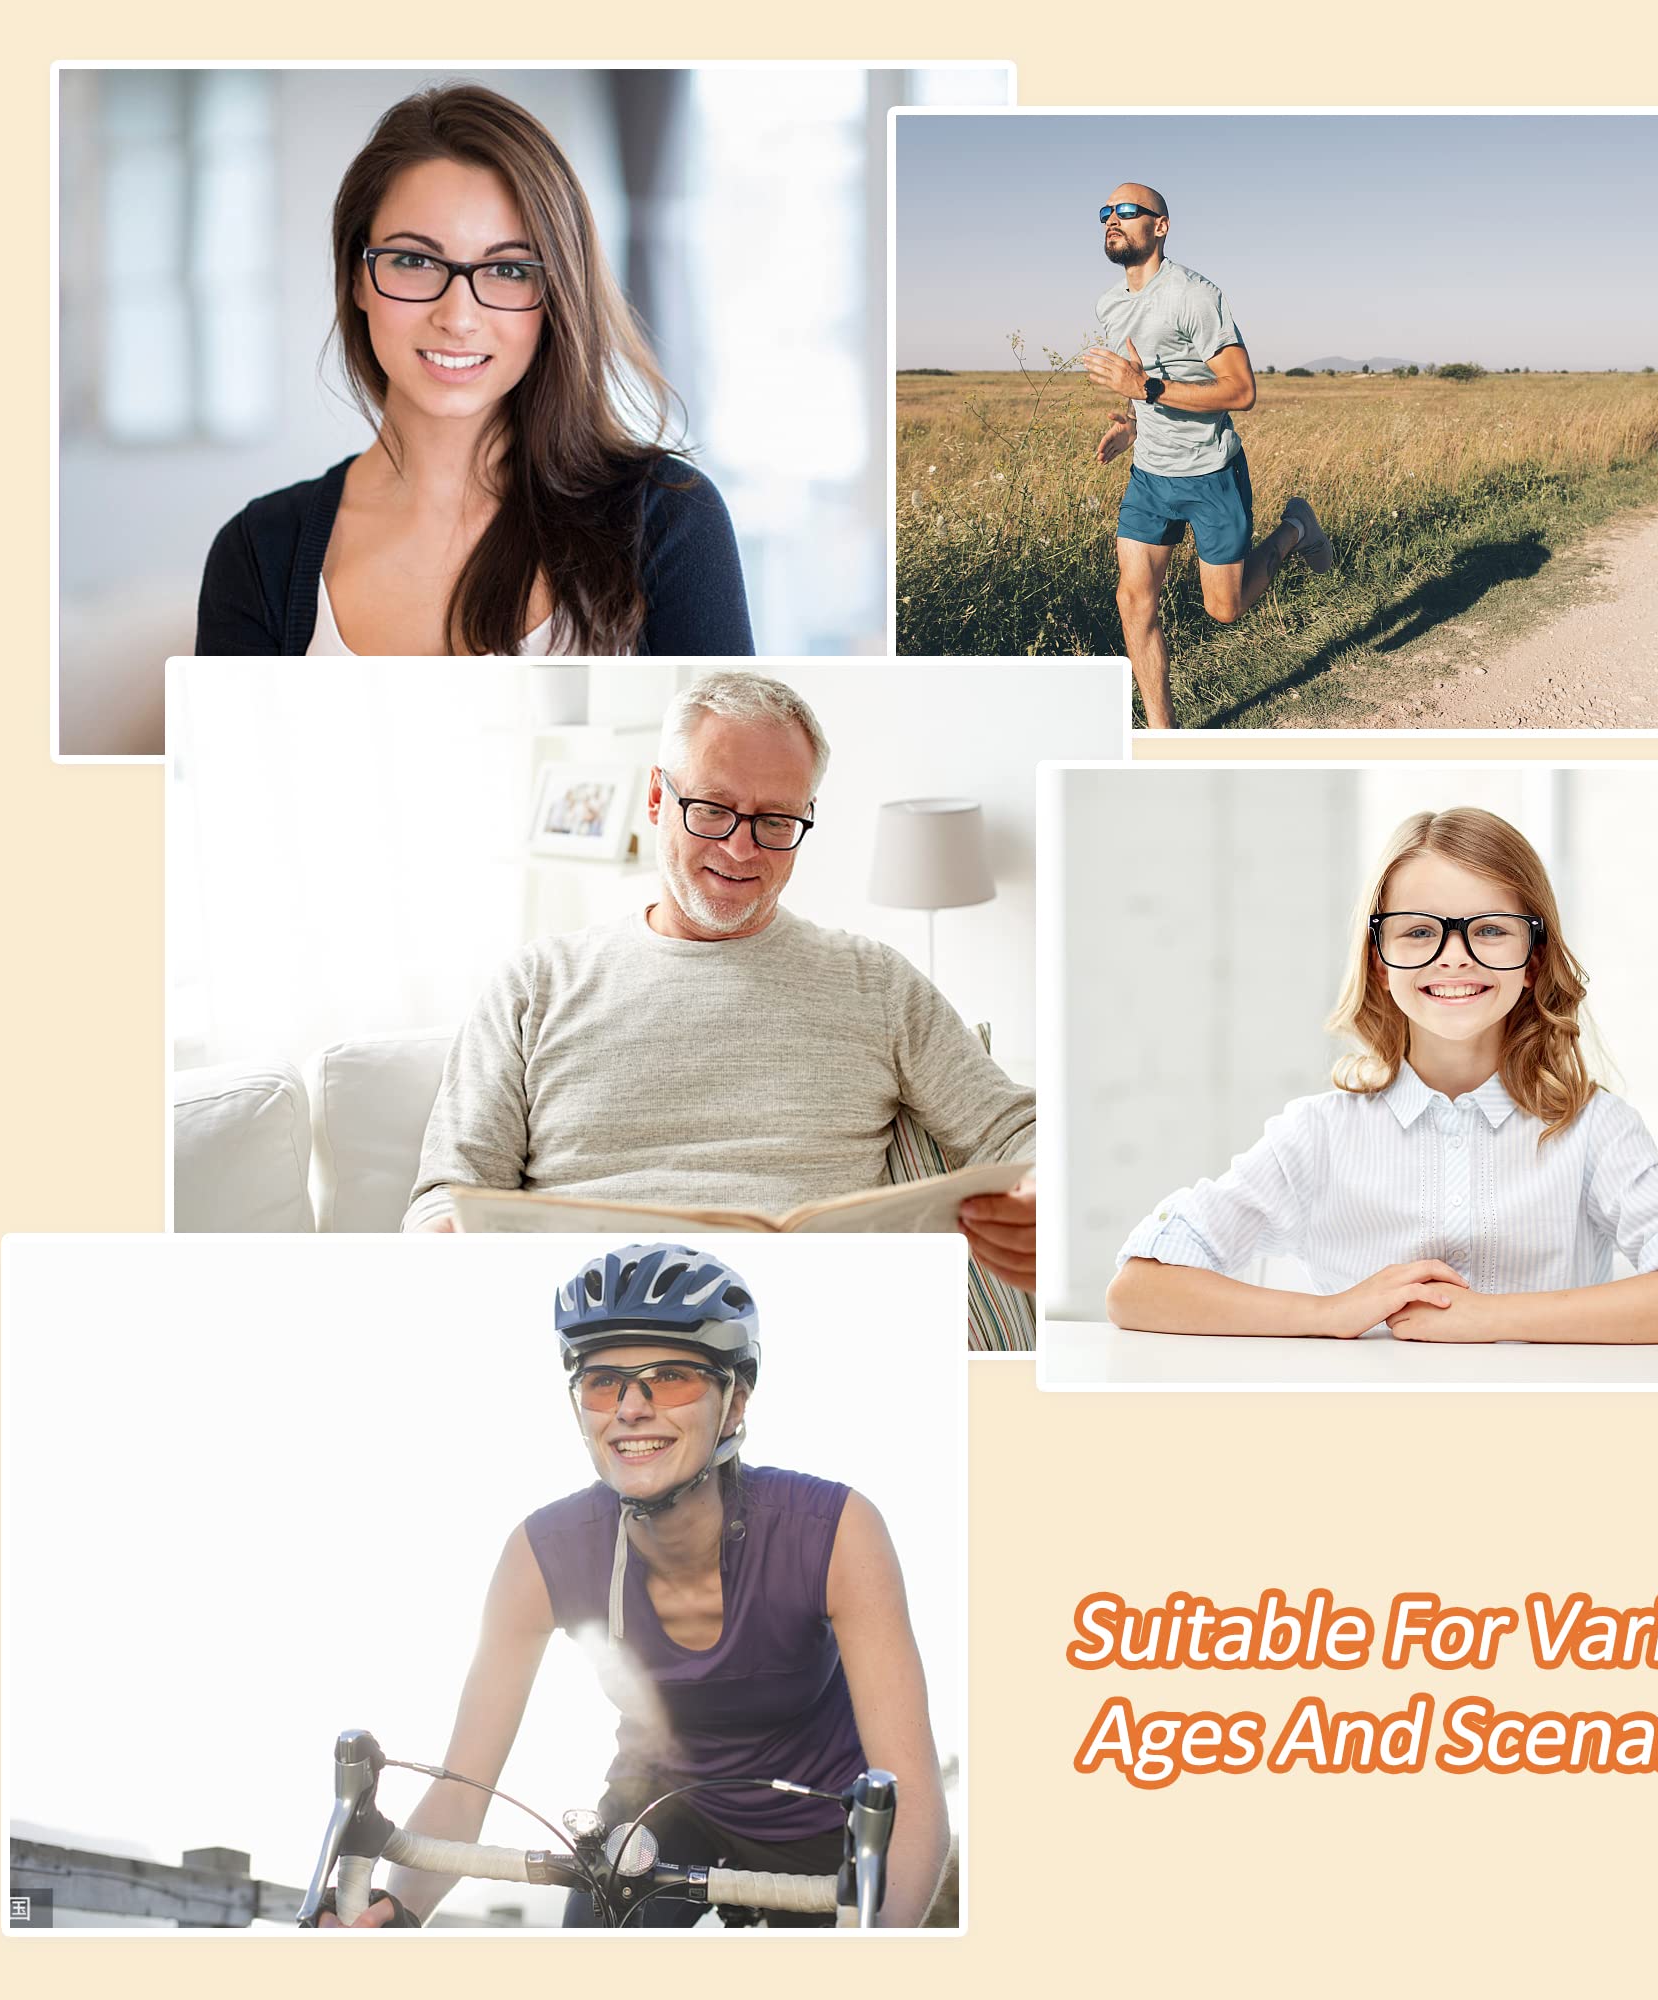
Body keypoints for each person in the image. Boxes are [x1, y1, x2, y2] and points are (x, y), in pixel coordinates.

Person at [317, 1244, 949, 1929]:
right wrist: (395, 1909)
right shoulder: (542, 1555)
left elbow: (911, 1797)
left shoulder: (835, 1533)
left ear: (734, 1402)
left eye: (670, 1377)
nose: (631, 1408)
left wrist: (887, 1952)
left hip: (818, 1821)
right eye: (603, 1383)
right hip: (657, 1811)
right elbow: (463, 1790)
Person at [406, 670, 1037, 1291]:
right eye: (711, 810)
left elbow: (1018, 1130)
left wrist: (1041, 1193)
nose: (741, 850)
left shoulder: (876, 983)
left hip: (809, 1329)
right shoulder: (536, 984)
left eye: (776, 822)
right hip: (589, 1337)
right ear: (657, 798)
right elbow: (446, 1198)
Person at [1106, 807, 1658, 1342]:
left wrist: (1487, 1318)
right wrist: (1332, 1315)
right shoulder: (1318, 1133)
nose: (1455, 958)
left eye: (1491, 929)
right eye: (1418, 932)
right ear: (1379, 961)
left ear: (1533, 959)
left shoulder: (1595, 1130)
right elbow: (1138, 1289)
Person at [197, 84, 751, 657]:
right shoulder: (259, 552)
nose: (457, 318)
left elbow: (737, 749)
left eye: (508, 271)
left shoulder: (671, 521)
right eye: (414, 260)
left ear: (556, 293)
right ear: (357, 276)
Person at [1080, 183, 1333, 730]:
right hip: (1150, 477)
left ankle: (1295, 528)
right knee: (1134, 602)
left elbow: (1241, 391)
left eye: (1128, 211)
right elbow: (1136, 381)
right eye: (1106, 212)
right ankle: (1161, 736)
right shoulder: (1110, 304)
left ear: (1161, 226)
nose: (1113, 220)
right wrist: (1129, 425)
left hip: (1211, 473)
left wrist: (1146, 390)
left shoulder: (1195, 296)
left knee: (1226, 609)